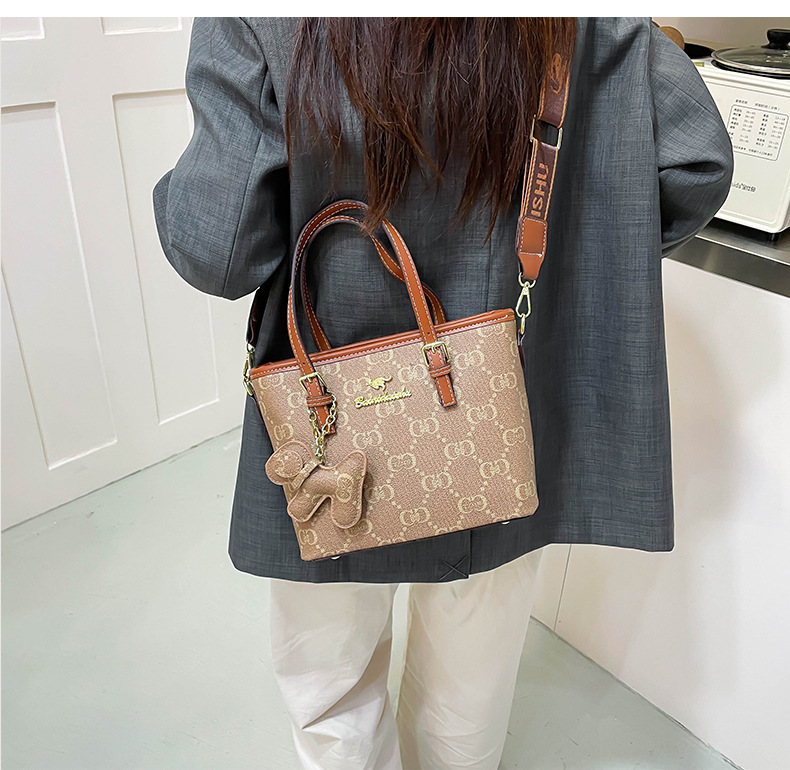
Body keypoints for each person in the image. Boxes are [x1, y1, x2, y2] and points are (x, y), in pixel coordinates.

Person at [152, 17, 733, 770]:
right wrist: (574, 240)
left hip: (330, 428)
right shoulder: (590, 22)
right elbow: (695, 165)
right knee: (468, 699)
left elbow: (217, 249)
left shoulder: (262, 20)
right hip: (501, 410)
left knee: (332, 694)